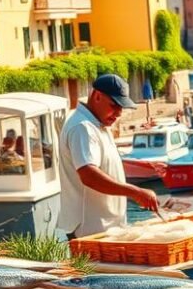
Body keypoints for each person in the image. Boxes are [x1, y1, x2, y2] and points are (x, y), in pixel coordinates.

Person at [57, 73, 159, 238]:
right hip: (90, 229)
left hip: (104, 227)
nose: (118, 113)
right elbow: (89, 175)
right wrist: (136, 192)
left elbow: (107, 166)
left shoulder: (98, 125)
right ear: (97, 96)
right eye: (114, 105)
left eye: (121, 108)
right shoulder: (83, 127)